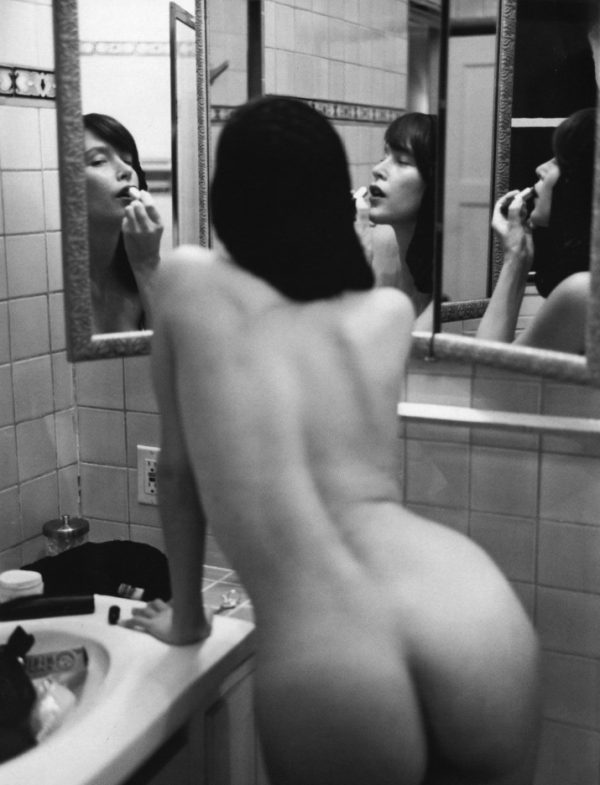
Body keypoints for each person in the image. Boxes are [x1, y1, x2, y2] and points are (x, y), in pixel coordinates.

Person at [125, 96, 540, 785]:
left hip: (330, 644)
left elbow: (178, 474)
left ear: (228, 196)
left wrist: (188, 618)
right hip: (471, 606)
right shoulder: (385, 312)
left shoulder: (186, 281)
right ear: (329, 198)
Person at [476, 107, 595, 352]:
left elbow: (487, 368)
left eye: (559, 160)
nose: (540, 167)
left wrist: (514, 260)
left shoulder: (584, 291)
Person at [83, 113, 163, 333]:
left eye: (128, 161)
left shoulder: (138, 275)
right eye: (99, 161)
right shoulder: (54, 288)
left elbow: (169, 348)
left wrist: (147, 262)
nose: (126, 170)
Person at [355, 112, 437, 327]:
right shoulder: (379, 244)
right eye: (384, 158)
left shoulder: (448, 295)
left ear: (435, 183)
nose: (377, 170)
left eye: (402, 161)